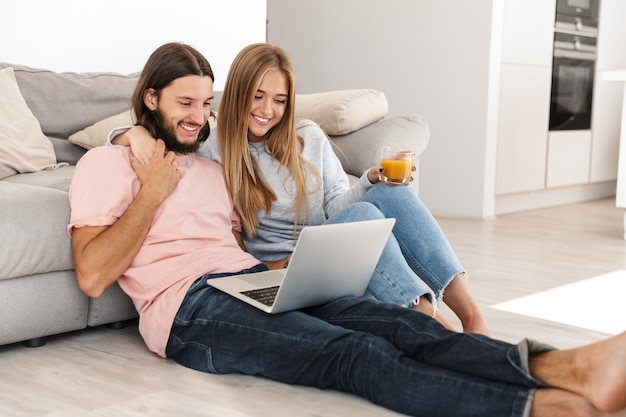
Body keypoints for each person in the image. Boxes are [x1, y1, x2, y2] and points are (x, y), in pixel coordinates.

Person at [70, 41, 626, 417]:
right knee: (354, 354)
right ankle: (543, 406)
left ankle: (567, 367)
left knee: (400, 327)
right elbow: (93, 276)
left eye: (206, 105)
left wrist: (289, 269)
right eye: (185, 104)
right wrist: (152, 190)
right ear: (150, 99)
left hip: (249, 282)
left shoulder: (212, 167)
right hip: (188, 311)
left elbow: (235, 250)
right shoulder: (110, 164)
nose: (199, 116)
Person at [111, 43, 488, 335]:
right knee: (364, 216)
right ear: (238, 92)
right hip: (291, 272)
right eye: (257, 96)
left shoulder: (307, 136)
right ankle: (435, 327)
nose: (267, 110)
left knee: (390, 194)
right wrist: (133, 133)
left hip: (335, 254)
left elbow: (337, 206)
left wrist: (370, 180)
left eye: (279, 100)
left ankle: (473, 319)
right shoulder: (213, 143)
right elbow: (137, 131)